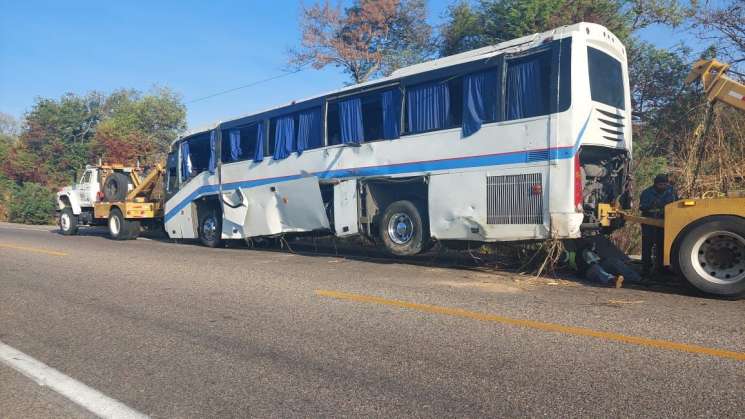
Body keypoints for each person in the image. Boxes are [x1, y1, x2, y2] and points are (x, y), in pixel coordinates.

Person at [639, 174, 678, 275]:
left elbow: (676, 204)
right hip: (649, 223)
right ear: (655, 184)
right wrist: (654, 207)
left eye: (665, 184)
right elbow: (643, 207)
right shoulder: (647, 193)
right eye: (660, 184)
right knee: (647, 245)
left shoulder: (671, 191)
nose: (663, 186)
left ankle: (661, 268)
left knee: (662, 245)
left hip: (665, 223)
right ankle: (646, 268)